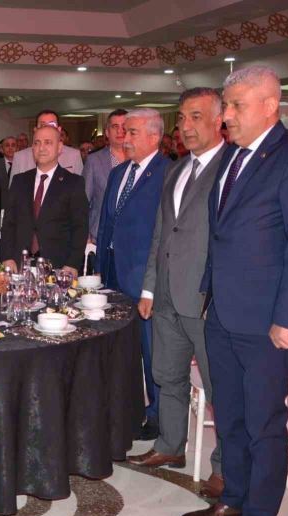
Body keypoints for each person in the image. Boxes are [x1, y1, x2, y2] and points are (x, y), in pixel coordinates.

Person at [180, 66, 288, 516]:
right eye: (227, 106)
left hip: (267, 320)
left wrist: (287, 316)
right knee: (231, 417)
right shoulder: (232, 156)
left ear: (270, 106)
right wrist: (208, 296)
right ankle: (234, 500)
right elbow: (222, 232)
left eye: (237, 106)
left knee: (263, 423)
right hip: (222, 312)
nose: (227, 116)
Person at [128, 88, 227, 500]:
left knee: (219, 388)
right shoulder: (177, 169)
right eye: (182, 118)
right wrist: (149, 286)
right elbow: (161, 232)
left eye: (196, 117)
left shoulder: (230, 167)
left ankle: (225, 468)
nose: (186, 126)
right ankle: (170, 445)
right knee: (166, 375)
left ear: (220, 119)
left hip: (205, 299)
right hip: (167, 293)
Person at [96, 108, 169, 441]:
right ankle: (123, 406)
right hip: (112, 272)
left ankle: (157, 414)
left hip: (143, 276)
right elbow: (106, 223)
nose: (124, 138)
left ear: (154, 136)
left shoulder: (167, 173)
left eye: (133, 132)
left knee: (151, 348)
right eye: (124, 131)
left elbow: (164, 232)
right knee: (120, 346)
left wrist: (151, 282)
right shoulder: (119, 172)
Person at [0, 125, 88, 276]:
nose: (41, 148)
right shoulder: (19, 181)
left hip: (58, 266)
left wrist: (72, 263)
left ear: (59, 147)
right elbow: (9, 223)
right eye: (37, 143)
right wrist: (7, 257)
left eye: (48, 142)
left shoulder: (73, 183)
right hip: (19, 264)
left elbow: (80, 227)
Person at [83, 109, 127, 244]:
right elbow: (83, 201)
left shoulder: (140, 159)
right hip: (100, 237)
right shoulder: (94, 160)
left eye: (124, 126)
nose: (120, 131)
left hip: (132, 238)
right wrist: (86, 236)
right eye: (115, 127)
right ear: (107, 132)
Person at [10, 110, 83, 181]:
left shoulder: (74, 155)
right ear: (35, 130)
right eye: (43, 125)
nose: (47, 128)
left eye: (52, 125)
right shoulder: (20, 157)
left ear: (59, 129)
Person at [0, 135, 17, 212]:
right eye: (7, 145)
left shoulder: (25, 164)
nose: (10, 148)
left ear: (18, 148)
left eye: (13, 145)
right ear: (2, 149)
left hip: (19, 208)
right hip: (1, 208)